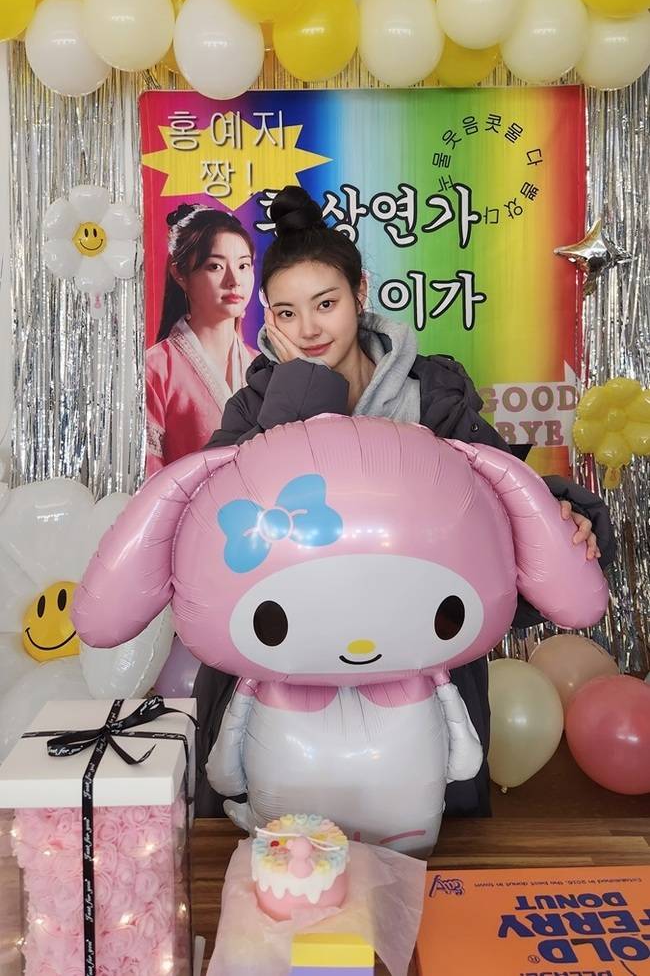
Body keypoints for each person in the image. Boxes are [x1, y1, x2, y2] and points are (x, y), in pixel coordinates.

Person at [193, 185, 615, 818]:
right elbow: (213, 527)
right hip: (287, 676)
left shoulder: (433, 395)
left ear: (361, 293)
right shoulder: (255, 406)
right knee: (288, 862)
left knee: (424, 858)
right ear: (269, 321)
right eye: (286, 313)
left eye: (326, 303)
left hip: (418, 675)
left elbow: (497, 496)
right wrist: (302, 385)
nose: (309, 329)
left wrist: (566, 517)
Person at [146, 205, 256, 476]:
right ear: (180, 274)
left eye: (243, 265)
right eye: (215, 266)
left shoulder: (263, 365)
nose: (234, 280)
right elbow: (148, 479)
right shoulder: (154, 370)